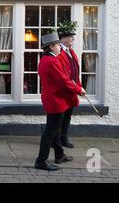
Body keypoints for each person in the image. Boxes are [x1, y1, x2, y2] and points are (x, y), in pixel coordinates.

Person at [35, 32, 86, 171]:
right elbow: (64, 80)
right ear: (51, 47)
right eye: (57, 45)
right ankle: (41, 161)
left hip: (53, 98)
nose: (59, 47)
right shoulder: (52, 61)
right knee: (50, 133)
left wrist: (76, 87)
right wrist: (78, 89)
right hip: (55, 100)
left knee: (54, 130)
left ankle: (59, 155)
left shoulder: (45, 60)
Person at [57, 20, 81, 148]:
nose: (72, 39)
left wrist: (79, 86)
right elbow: (61, 74)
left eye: (72, 37)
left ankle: (64, 138)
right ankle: (55, 140)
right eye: (70, 37)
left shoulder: (71, 51)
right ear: (63, 39)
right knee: (59, 117)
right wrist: (75, 87)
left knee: (67, 117)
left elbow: (75, 70)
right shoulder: (58, 52)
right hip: (62, 91)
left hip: (71, 90)